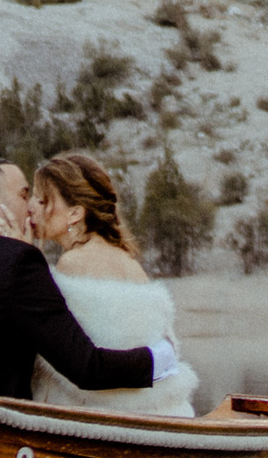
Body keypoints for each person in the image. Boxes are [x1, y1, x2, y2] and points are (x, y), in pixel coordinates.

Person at [0, 155, 186, 409]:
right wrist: (162, 358)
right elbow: (86, 369)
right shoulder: (18, 263)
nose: (30, 208)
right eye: (25, 195)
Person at [28, 149, 200, 417]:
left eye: (41, 200)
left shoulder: (72, 263)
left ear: (74, 213)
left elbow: (66, 356)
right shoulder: (130, 263)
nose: (31, 208)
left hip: (103, 423)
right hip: (163, 414)